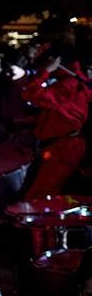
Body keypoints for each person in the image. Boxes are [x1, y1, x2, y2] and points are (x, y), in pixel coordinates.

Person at [20, 44, 91, 200]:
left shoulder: (69, 84)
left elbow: (31, 93)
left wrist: (45, 71)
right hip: (66, 144)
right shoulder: (76, 83)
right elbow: (64, 112)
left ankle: (38, 225)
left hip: (64, 147)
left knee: (41, 194)